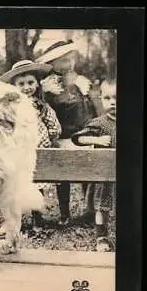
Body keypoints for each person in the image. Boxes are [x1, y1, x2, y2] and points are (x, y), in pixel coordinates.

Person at [35, 40, 100, 226]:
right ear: (53, 63)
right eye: (63, 60)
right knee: (62, 177)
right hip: (62, 135)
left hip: (82, 132)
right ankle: (64, 213)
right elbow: (47, 107)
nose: (69, 64)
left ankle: (90, 211)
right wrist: (46, 91)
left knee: (88, 174)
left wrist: (85, 90)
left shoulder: (79, 80)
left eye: (70, 59)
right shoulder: (46, 84)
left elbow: (91, 105)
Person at [0, 60, 62, 232]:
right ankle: (12, 220)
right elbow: (4, 127)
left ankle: (37, 220)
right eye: (21, 84)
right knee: (14, 184)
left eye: (30, 82)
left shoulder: (42, 106)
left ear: (37, 84)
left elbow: (54, 127)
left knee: (37, 184)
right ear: (14, 87)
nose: (27, 87)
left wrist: (49, 138)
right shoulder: (10, 108)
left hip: (38, 150)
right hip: (18, 151)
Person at [70, 79, 116, 251]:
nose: (113, 102)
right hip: (103, 174)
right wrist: (96, 140)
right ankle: (101, 236)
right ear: (101, 99)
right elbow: (77, 138)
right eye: (107, 98)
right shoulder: (100, 123)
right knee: (102, 207)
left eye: (117, 98)